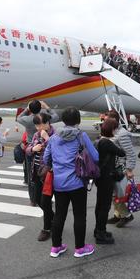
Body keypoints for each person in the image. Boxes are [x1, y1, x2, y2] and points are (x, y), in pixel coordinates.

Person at [43, 107, 99, 258]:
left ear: (63, 120)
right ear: (78, 120)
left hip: (59, 183)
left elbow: (46, 159)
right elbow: (95, 156)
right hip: (78, 183)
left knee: (59, 215)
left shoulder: (54, 137)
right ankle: (80, 248)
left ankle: (56, 247)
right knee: (79, 215)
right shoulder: (81, 136)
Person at [17, 100, 60, 200]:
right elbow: (56, 116)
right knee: (46, 175)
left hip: (32, 147)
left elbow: (18, 118)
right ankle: (45, 197)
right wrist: (46, 107)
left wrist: (27, 109)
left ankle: (33, 199)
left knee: (31, 175)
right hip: (44, 148)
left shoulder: (27, 119)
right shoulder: (45, 118)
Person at [25, 112, 56, 242]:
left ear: (48, 122)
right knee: (37, 199)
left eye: (41, 124)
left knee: (45, 201)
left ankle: (46, 229)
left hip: (49, 173)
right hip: (36, 171)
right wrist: (33, 149)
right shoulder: (37, 134)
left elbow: (58, 150)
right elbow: (27, 149)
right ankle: (53, 217)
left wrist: (47, 139)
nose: (39, 128)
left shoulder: (55, 134)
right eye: (37, 125)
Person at [94, 118, 125, 244]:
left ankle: (98, 230)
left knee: (99, 204)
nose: (116, 130)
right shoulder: (107, 143)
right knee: (104, 206)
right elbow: (122, 153)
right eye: (115, 128)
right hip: (107, 178)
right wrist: (118, 140)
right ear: (111, 129)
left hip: (99, 177)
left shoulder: (98, 141)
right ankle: (101, 234)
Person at [105, 110, 137, 228]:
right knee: (115, 192)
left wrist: (129, 169)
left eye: (107, 120)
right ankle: (118, 215)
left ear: (114, 121)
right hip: (113, 167)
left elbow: (130, 153)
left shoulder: (122, 134)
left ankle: (127, 215)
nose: (104, 122)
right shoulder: (114, 131)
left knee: (118, 194)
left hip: (120, 168)